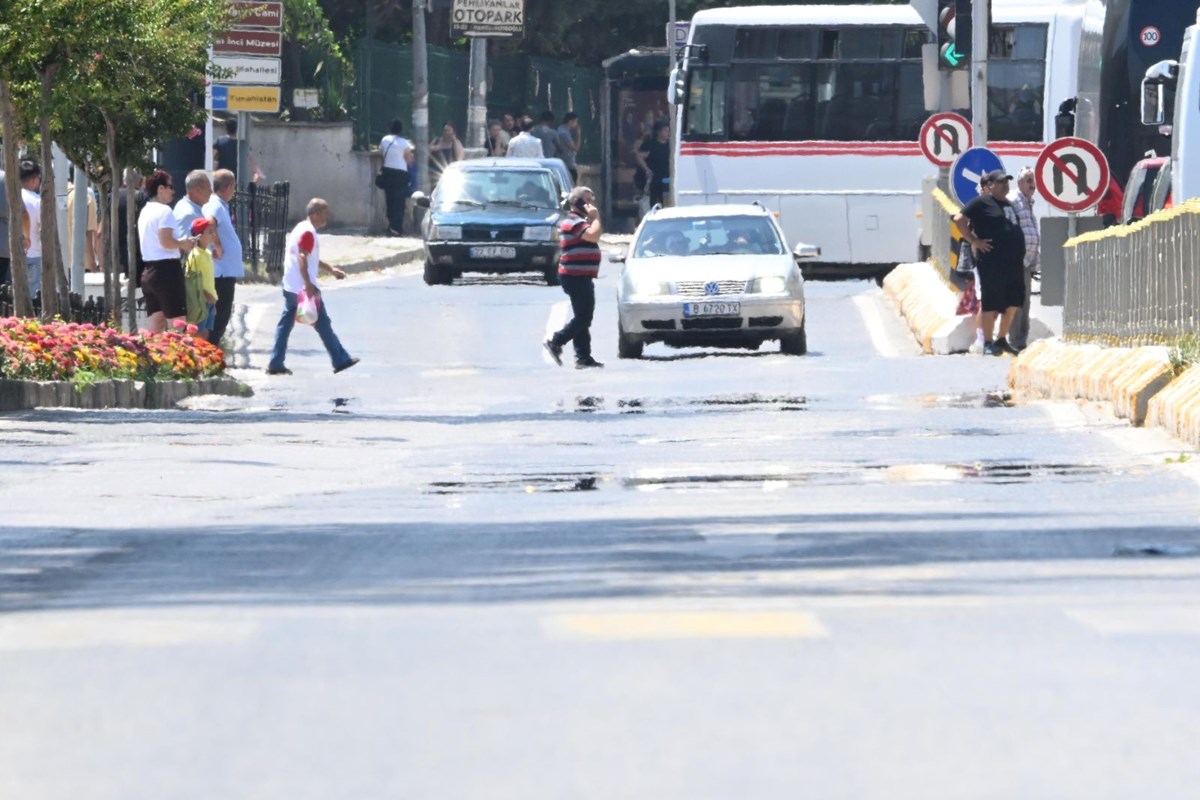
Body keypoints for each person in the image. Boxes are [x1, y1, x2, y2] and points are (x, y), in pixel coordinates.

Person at [267, 198, 359, 376]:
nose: (327, 216)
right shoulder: (308, 232)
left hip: (290, 285)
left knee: (285, 325)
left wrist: (330, 269)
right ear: (316, 214)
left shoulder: (301, 228)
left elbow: (310, 257)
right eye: (325, 213)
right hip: (302, 288)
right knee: (323, 323)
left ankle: (276, 362)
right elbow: (302, 257)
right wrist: (308, 284)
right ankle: (340, 359)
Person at [954, 169, 1026, 356]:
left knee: (1013, 301)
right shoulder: (982, 202)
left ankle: (1002, 338)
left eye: (1006, 182)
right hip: (992, 262)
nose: (1005, 185)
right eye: (1000, 182)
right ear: (990, 186)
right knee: (990, 302)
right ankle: (987, 342)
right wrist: (974, 240)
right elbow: (959, 219)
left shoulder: (1008, 205)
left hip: (1013, 262)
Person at [543, 186, 603, 369]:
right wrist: (595, 217)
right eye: (588, 201)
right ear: (578, 202)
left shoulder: (580, 221)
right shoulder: (573, 221)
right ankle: (556, 341)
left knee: (582, 316)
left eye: (592, 200)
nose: (592, 204)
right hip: (574, 276)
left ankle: (583, 357)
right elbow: (593, 236)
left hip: (581, 275)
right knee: (584, 317)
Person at [137, 169, 196, 333]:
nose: (173, 191)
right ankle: (180, 358)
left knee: (155, 325)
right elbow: (166, 241)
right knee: (178, 325)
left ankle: (154, 358)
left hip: (149, 270)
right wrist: (183, 244)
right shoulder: (164, 211)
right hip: (167, 271)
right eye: (170, 187)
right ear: (160, 188)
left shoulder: (145, 211)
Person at [203, 168, 244, 346]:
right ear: (228, 186)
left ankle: (213, 349)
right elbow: (210, 223)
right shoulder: (215, 204)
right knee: (220, 314)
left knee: (223, 313)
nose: (234, 191)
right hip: (221, 271)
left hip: (225, 270)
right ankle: (212, 350)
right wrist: (218, 245)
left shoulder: (220, 204)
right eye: (233, 187)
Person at [1007, 167, 1041, 351]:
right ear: (1019, 183)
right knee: (1017, 302)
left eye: (1033, 180)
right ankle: (1015, 340)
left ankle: (1021, 340)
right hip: (1015, 261)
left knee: (1025, 302)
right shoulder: (1014, 201)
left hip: (1026, 262)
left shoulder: (1027, 202)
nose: (1032, 184)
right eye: (1028, 180)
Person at [379, 118, 415, 236]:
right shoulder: (404, 143)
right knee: (399, 201)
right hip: (400, 174)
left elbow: (382, 153)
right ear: (401, 130)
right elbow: (409, 160)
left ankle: (391, 226)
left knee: (389, 200)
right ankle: (397, 228)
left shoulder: (385, 140)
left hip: (388, 172)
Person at [184, 217, 218, 336]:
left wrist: (213, 299)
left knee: (205, 332)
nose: (213, 234)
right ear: (199, 235)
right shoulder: (195, 255)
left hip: (209, 301)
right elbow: (190, 280)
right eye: (210, 232)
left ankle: (204, 354)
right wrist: (206, 294)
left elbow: (209, 279)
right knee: (195, 332)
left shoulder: (207, 253)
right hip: (199, 302)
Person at [65, 171, 99, 273]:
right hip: (82, 264)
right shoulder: (86, 199)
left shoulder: (58, 195)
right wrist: (93, 265)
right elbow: (88, 236)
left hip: (61, 262)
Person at [213, 117, 263, 182]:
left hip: (221, 178)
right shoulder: (244, 145)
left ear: (226, 128)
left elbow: (211, 157)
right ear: (237, 129)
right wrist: (257, 176)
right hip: (237, 180)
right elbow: (251, 163)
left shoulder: (220, 141)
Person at [19, 160, 42, 300]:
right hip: (33, 252)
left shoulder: (12, 196)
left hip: (13, 252)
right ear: (34, 179)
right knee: (31, 295)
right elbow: (43, 227)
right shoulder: (36, 200)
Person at [636, 121, 671, 208]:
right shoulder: (651, 144)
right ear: (658, 132)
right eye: (665, 131)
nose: (667, 133)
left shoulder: (670, 145)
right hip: (654, 180)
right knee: (653, 202)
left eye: (668, 131)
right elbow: (639, 157)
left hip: (667, 179)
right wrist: (647, 169)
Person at [173, 170, 213, 243]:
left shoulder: (191, 208)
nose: (211, 192)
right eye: (209, 188)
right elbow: (185, 248)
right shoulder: (187, 214)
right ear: (198, 190)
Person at [557, 112, 581, 183]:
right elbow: (575, 148)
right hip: (567, 164)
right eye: (576, 121)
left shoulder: (560, 129)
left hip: (564, 162)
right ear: (570, 122)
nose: (576, 124)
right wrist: (579, 134)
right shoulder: (564, 134)